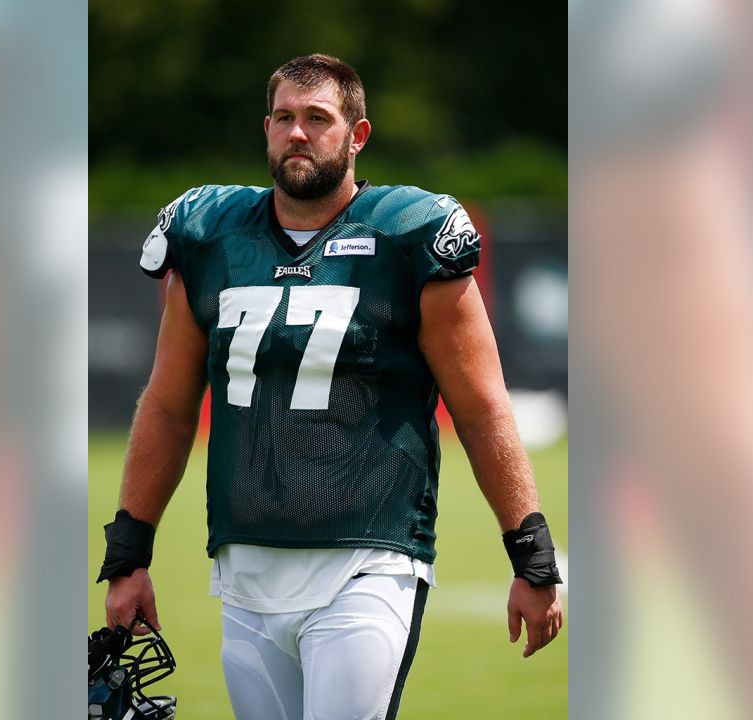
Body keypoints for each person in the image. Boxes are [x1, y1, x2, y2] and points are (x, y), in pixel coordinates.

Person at [98, 53, 562, 719]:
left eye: (318, 118)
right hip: (245, 572)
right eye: (284, 118)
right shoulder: (211, 238)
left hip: (367, 562)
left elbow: (483, 409)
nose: (298, 133)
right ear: (265, 129)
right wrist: (128, 555)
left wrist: (532, 556)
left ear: (357, 134)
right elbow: (168, 409)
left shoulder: (407, 234)